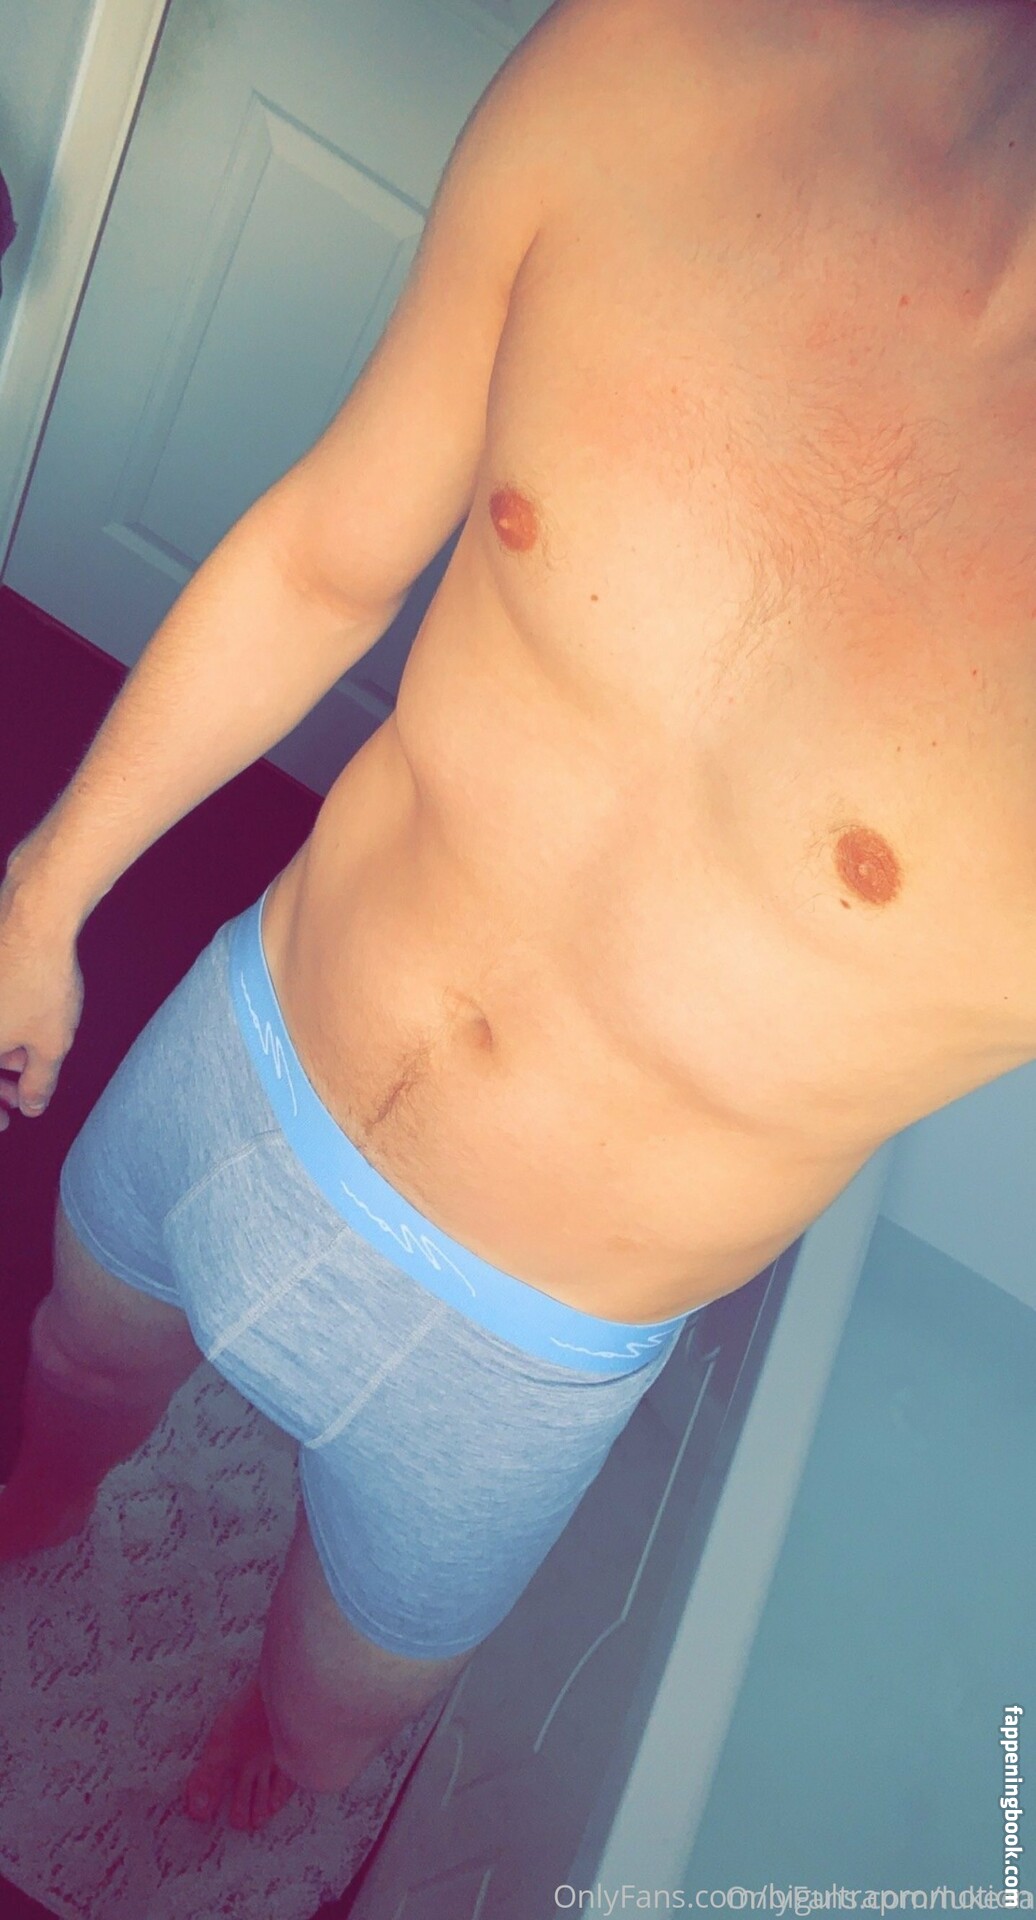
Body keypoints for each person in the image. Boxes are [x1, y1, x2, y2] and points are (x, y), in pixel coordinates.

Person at [2, 0, 1035, 1834]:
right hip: (248, 1054)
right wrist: (49, 880)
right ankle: (47, 1502)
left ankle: (275, 1765)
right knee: (75, 1365)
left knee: (332, 1714)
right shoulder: (657, 60)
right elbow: (329, 549)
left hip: (519, 1362)